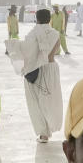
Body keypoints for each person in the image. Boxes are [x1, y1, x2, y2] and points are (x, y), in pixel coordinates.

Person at [7, 8, 62, 143]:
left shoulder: (33, 34)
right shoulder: (55, 34)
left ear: (36, 19)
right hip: (51, 69)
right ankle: (52, 126)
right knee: (50, 100)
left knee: (36, 102)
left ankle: (44, 134)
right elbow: (56, 50)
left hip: (35, 70)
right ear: (49, 19)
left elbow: (26, 51)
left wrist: (12, 45)